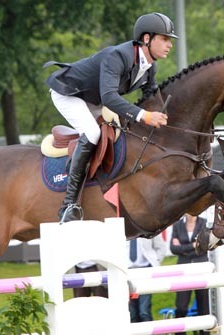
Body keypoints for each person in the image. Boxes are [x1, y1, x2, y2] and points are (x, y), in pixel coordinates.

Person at [45, 12, 176, 222]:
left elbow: (152, 97)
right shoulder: (118, 56)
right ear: (146, 39)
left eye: (170, 40)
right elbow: (109, 97)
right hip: (68, 92)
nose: (169, 45)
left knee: (119, 130)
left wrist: (168, 120)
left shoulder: (150, 66)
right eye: (164, 39)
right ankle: (69, 204)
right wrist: (144, 115)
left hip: (92, 99)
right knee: (93, 133)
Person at [170, 213, 211, 335]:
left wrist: (183, 248)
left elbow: (203, 246)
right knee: (181, 307)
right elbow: (173, 249)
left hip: (201, 269)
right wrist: (192, 246)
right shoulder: (177, 225)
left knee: (203, 307)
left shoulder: (204, 223)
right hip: (183, 270)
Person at [128, 235, 167, 322]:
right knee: (132, 313)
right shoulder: (120, 228)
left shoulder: (147, 227)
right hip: (127, 274)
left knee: (144, 311)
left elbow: (161, 248)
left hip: (144, 273)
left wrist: (154, 262)